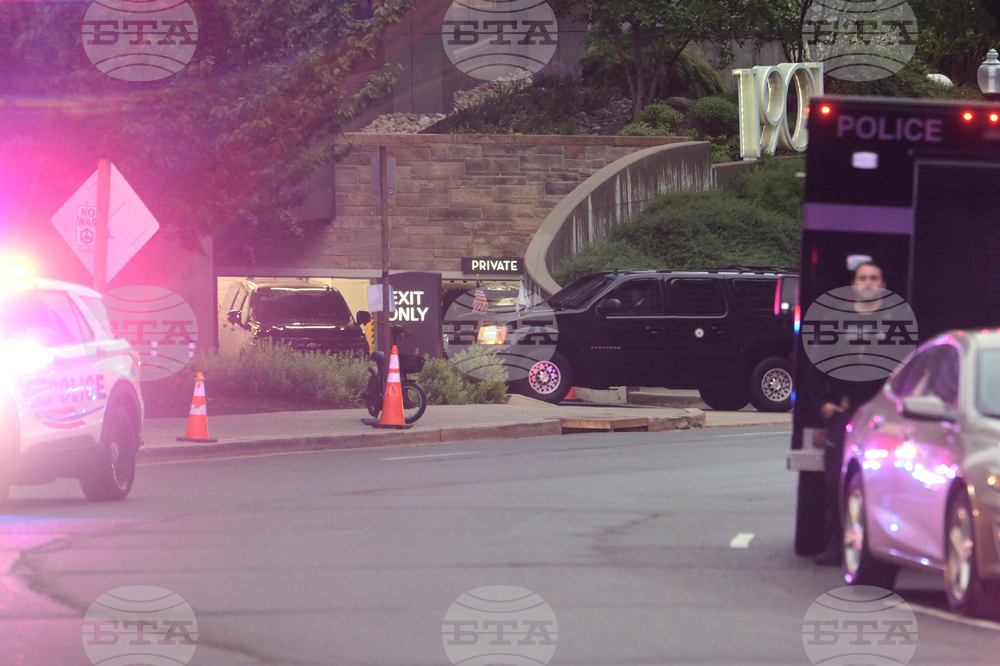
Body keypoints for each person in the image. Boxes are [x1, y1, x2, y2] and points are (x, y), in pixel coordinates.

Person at [812, 261, 890, 565]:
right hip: (846, 411)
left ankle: (880, 548)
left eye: (874, 277)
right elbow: (815, 367)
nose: (868, 282)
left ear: (882, 284)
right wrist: (822, 403)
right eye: (863, 278)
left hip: (883, 417)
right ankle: (836, 544)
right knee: (837, 480)